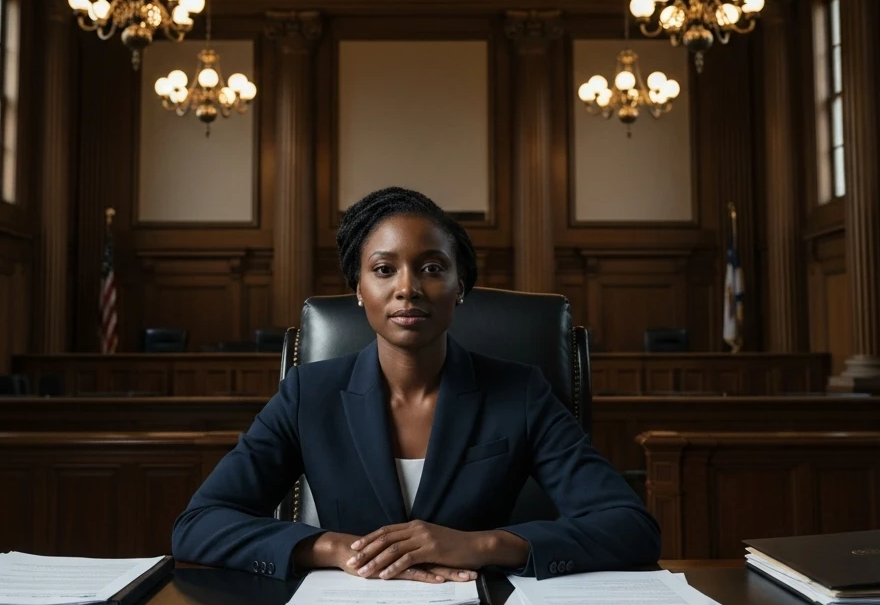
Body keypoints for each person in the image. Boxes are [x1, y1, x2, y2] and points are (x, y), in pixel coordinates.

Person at [172, 187, 660, 582]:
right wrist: (333, 548)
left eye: (432, 268)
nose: (408, 287)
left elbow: (629, 526)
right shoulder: (308, 394)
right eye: (384, 270)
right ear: (359, 291)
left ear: (460, 288)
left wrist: (483, 544)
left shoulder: (520, 392)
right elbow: (199, 525)